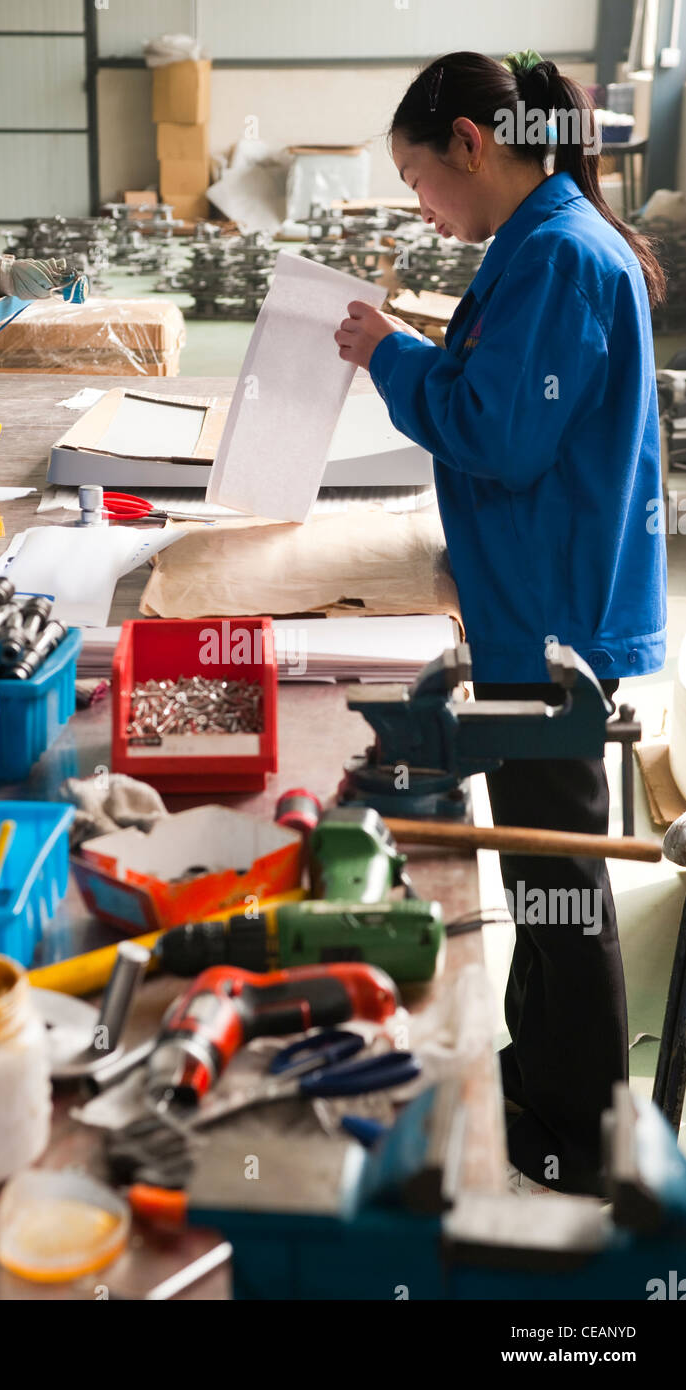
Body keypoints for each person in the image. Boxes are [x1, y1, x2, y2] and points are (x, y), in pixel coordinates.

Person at [335, 50, 667, 1196]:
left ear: (473, 144)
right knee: (538, 872)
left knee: (561, 888)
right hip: (537, 602)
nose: (425, 210)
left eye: (423, 181)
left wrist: (390, 355)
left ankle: (581, 1137)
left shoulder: (560, 258)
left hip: (551, 626)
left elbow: (501, 434)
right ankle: (549, 1069)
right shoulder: (542, 240)